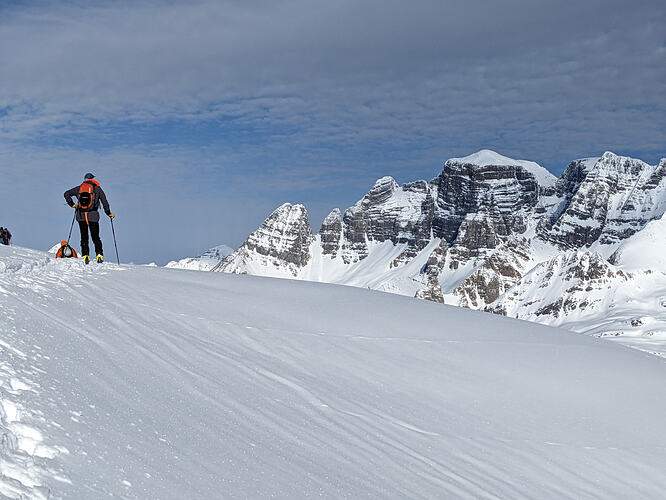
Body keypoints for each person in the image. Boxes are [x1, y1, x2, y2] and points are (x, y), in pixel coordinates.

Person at [64, 173, 115, 264]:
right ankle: (99, 255)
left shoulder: (79, 188)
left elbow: (66, 194)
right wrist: (109, 213)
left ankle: (85, 256)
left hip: (81, 216)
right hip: (93, 216)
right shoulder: (97, 189)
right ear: (92, 179)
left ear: (84, 179)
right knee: (95, 236)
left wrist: (72, 204)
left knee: (84, 236)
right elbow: (104, 202)